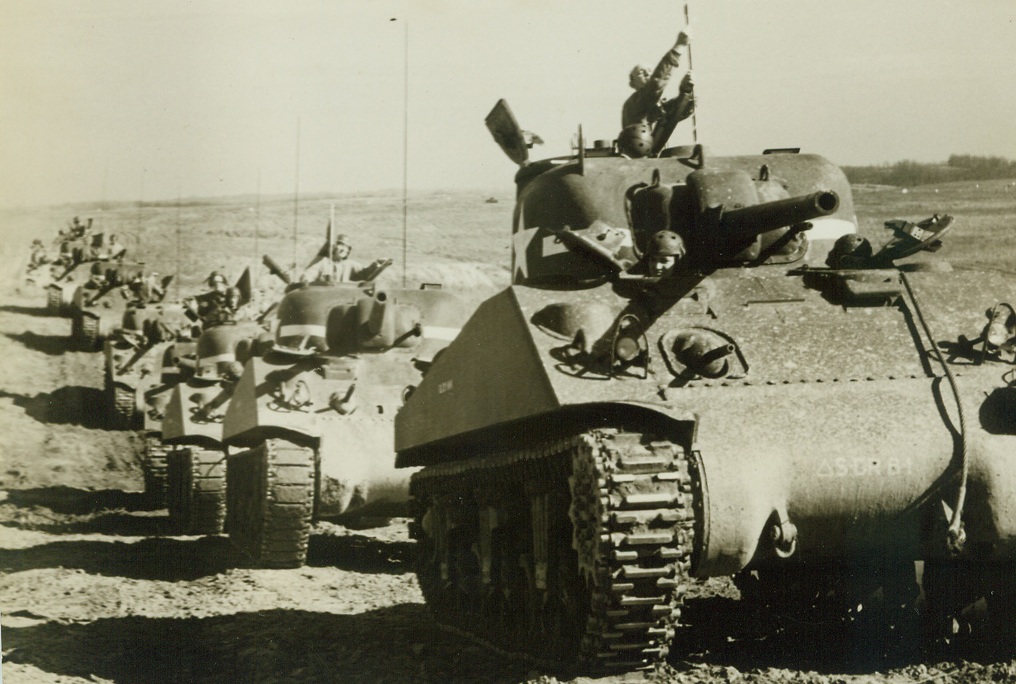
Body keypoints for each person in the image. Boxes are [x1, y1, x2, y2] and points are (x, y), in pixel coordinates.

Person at [620, 29, 695, 157]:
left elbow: (677, 112)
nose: (647, 73)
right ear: (633, 83)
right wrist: (679, 47)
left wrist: (685, 90)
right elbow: (655, 85)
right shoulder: (634, 104)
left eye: (650, 70)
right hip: (638, 157)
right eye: (641, 72)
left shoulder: (653, 105)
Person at [300, 233, 388, 284]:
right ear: (334, 247)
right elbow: (310, 273)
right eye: (341, 245)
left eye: (347, 247)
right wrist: (307, 279)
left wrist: (377, 264)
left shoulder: (349, 264)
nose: (343, 249)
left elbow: (364, 273)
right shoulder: (323, 262)